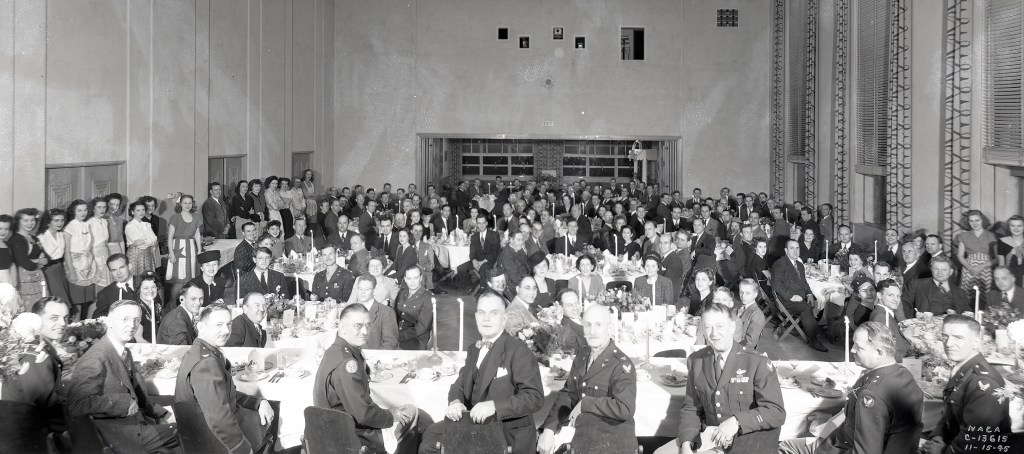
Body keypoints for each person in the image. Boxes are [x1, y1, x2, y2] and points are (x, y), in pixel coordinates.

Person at [419, 291, 544, 454]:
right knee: (428, 434)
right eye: (482, 313)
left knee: (429, 448)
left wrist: (494, 406)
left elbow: (535, 397)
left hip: (505, 432)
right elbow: (459, 385)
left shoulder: (518, 351)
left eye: (493, 313)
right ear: (476, 317)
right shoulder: (474, 349)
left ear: (504, 318)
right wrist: (455, 402)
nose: (486, 319)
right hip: (477, 425)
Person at [660, 303, 785, 454]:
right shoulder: (696, 360)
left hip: (745, 443)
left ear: (732, 327)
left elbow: (776, 412)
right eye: (708, 327)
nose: (714, 333)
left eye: (720, 326)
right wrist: (686, 443)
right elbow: (691, 408)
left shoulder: (757, 363)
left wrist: (737, 421)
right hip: (709, 438)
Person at [66, 300, 181, 453]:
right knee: (190, 432)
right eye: (125, 319)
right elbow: (77, 405)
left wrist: (163, 413)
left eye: (136, 320)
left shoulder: (124, 352)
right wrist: (122, 403)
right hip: (116, 435)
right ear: (110, 321)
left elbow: (139, 396)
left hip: (135, 424)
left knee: (185, 426)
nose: (132, 325)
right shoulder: (96, 357)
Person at [314, 303, 424, 454]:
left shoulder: (335, 350)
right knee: (411, 412)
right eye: (358, 326)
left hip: (331, 429)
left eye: (368, 325)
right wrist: (391, 415)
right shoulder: (347, 364)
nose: (365, 331)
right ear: (342, 327)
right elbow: (363, 414)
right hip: (352, 437)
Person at [175, 304, 277, 453]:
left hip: (210, 428)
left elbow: (225, 394)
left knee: (268, 409)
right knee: (274, 418)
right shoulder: (206, 363)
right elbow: (218, 417)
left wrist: (258, 402)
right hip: (212, 438)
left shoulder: (203, 351)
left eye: (228, 324)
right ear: (201, 327)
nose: (226, 331)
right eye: (218, 325)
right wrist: (241, 448)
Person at [538, 304, 637, 454]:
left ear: (609, 328)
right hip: (582, 435)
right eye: (587, 325)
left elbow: (625, 408)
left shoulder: (621, 364)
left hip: (611, 441)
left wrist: (586, 403)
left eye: (598, 325)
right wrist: (550, 428)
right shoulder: (582, 355)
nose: (592, 331)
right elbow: (567, 395)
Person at [813, 322, 923, 454]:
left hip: (841, 447)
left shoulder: (871, 394)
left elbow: (865, 451)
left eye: (859, 347)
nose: (852, 350)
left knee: (788, 446)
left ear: (879, 353)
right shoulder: (903, 373)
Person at [923, 315, 1015, 454]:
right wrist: (938, 435)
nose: (948, 344)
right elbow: (950, 411)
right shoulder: (963, 369)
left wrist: (943, 451)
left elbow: (976, 440)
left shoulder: (984, 384)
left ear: (976, 342)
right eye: (945, 336)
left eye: (958, 338)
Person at [1, 297, 69, 441]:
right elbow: (47, 403)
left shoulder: (36, 345)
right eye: (54, 318)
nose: (63, 323)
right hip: (28, 436)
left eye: (66, 317)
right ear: (36, 320)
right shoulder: (36, 353)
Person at [770, 239, 828, 351]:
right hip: (785, 300)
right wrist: (791, 296)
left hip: (799, 297)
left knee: (819, 300)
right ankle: (813, 339)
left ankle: (812, 327)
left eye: (797, 248)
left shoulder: (800, 265)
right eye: (792, 248)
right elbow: (776, 285)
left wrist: (809, 293)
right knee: (806, 308)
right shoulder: (780, 264)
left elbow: (804, 282)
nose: (795, 251)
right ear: (786, 250)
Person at [902, 256, 970, 318]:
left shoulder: (960, 292)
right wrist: (912, 320)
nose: (939, 272)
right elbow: (903, 303)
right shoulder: (917, 284)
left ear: (951, 272)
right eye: (936, 269)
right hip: (925, 327)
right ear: (931, 269)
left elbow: (966, 313)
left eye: (944, 270)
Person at [10, 208, 48, 305]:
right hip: (24, 280)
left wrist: (34, 260)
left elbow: (47, 260)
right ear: (18, 222)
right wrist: (39, 260)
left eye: (32, 220)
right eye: (26, 220)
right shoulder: (16, 239)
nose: (30, 223)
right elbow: (27, 264)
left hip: (37, 277)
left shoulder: (34, 238)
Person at [956, 210, 997, 296]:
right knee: (967, 295)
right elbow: (960, 256)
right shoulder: (963, 236)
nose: (974, 223)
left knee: (985, 296)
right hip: (968, 268)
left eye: (977, 220)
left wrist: (982, 266)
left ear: (982, 220)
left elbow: (997, 259)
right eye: (971, 221)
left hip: (986, 269)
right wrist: (970, 268)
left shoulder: (992, 236)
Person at [352, 275, 399, 349]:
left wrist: (374, 358)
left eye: (367, 289)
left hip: (374, 357)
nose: (362, 292)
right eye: (360, 289)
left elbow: (390, 343)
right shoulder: (352, 311)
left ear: (374, 291)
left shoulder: (386, 312)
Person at [38, 209, 73, 305]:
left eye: (62, 220)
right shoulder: (42, 237)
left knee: (63, 295)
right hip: (48, 269)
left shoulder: (61, 235)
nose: (60, 223)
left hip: (59, 268)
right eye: (56, 220)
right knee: (55, 297)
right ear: (48, 222)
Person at [166, 194, 203, 284]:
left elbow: (197, 235)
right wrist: (171, 253)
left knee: (191, 273)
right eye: (185, 203)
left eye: (189, 203)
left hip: (191, 248)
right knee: (178, 275)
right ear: (180, 204)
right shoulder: (175, 217)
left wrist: (199, 250)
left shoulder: (196, 217)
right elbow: (170, 236)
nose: (187, 205)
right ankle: (175, 298)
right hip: (177, 248)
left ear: (192, 204)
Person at [870, 279, 911, 361]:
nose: (896, 299)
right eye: (890, 295)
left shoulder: (884, 312)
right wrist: (915, 358)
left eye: (898, 296)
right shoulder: (881, 317)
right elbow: (887, 354)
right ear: (879, 295)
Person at [395, 266, 433, 350]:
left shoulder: (427, 297)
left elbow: (422, 327)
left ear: (421, 278)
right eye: (409, 278)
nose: (412, 282)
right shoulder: (402, 293)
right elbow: (395, 315)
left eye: (415, 278)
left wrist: (399, 336)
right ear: (405, 279)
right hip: (397, 333)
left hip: (415, 338)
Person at [93, 254, 139, 318]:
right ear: (110, 272)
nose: (118, 273)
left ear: (129, 266)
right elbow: (98, 318)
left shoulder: (145, 283)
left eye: (122, 267)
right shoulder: (105, 293)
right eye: (114, 270)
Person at [124, 201, 158, 276]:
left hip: (147, 254)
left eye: (143, 210)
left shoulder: (147, 225)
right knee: (135, 277)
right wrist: (149, 240)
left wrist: (144, 241)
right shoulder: (130, 226)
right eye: (138, 210)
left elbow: (154, 239)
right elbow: (138, 243)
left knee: (148, 277)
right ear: (132, 212)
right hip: (135, 254)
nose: (141, 212)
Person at [734, 279, 767, 348]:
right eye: (741, 292)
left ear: (755, 294)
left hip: (740, 348)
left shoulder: (757, 315)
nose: (743, 296)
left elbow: (750, 342)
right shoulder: (738, 307)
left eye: (747, 293)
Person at [497, 230, 531, 297]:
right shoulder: (506, 255)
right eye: (518, 240)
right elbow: (514, 278)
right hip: (514, 285)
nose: (521, 242)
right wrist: (528, 283)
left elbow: (526, 263)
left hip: (524, 277)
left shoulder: (518, 248)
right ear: (511, 240)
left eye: (522, 239)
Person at [996, 214, 1024, 286]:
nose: (1016, 228)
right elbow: (1001, 265)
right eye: (1012, 225)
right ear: (1008, 227)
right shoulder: (1002, 241)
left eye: (1019, 226)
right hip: (1010, 277)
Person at [136, 272, 165, 342]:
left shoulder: (157, 305)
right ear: (139, 289)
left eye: (153, 287)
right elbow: (138, 339)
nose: (150, 291)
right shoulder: (137, 310)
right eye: (146, 288)